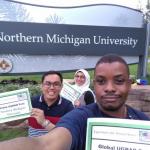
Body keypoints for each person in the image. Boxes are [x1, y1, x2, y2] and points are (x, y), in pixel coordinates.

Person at [0, 54, 149, 150]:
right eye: (101, 81)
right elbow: (44, 145)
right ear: (95, 85)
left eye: (119, 81)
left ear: (129, 84)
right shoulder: (80, 117)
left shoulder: (143, 122)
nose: (109, 88)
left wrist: (44, 122)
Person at [5, 70, 74, 137]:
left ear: (61, 87)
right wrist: (5, 115)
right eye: (48, 84)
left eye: (56, 84)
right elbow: (13, 123)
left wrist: (44, 122)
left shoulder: (68, 106)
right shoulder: (32, 102)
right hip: (33, 145)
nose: (52, 87)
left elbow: (67, 135)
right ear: (42, 86)